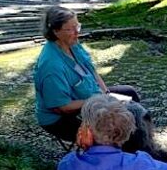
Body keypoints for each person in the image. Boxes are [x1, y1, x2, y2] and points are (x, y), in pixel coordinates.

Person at [33, 9, 139, 144]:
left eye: (77, 26)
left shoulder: (72, 44)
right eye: (70, 29)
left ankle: (135, 145)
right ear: (56, 32)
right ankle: (124, 154)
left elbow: (92, 71)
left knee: (130, 96)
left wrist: (106, 95)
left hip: (88, 97)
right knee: (115, 128)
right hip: (61, 118)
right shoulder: (51, 66)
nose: (77, 32)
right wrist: (98, 101)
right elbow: (60, 107)